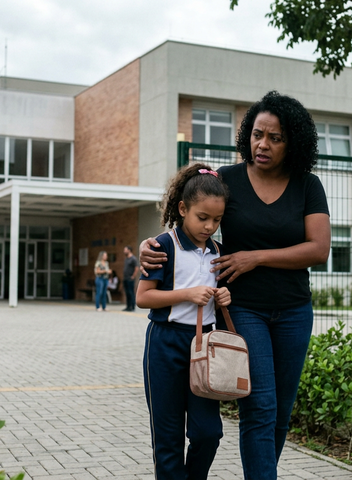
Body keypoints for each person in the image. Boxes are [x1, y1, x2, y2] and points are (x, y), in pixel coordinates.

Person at [141, 91, 331, 480]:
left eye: (275, 138)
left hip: (295, 311)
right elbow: (190, 220)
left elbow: (319, 248)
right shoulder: (225, 179)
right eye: (258, 134)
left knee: (279, 411)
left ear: (292, 141)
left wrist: (255, 256)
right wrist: (150, 245)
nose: (263, 144)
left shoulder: (307, 185)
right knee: (259, 407)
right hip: (243, 308)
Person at [136, 163, 232, 480]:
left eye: (216, 220)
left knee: (208, 432)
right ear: (182, 208)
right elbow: (143, 297)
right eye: (202, 217)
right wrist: (186, 294)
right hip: (165, 344)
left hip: (204, 347)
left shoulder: (220, 252)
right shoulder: (163, 246)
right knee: (168, 439)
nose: (209, 226)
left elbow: (217, 295)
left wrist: (223, 297)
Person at [122, 245, 139, 312]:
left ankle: (132, 306)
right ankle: (128, 306)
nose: (124, 251)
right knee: (127, 293)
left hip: (130, 278)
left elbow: (136, 268)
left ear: (129, 250)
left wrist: (133, 276)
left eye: (125, 250)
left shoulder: (133, 259)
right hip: (125, 278)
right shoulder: (126, 258)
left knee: (131, 292)